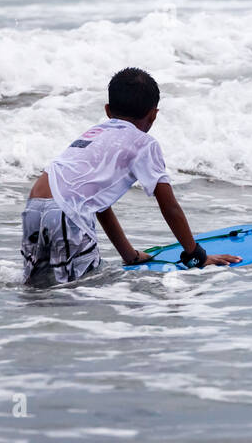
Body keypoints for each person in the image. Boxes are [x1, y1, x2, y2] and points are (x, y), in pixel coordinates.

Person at [20, 68, 240, 286]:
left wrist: (130, 255)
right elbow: (169, 206)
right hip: (66, 213)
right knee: (79, 289)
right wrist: (197, 256)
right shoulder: (144, 143)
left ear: (108, 110)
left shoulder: (94, 133)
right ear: (154, 114)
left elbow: (100, 204)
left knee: (37, 287)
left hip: (35, 204)